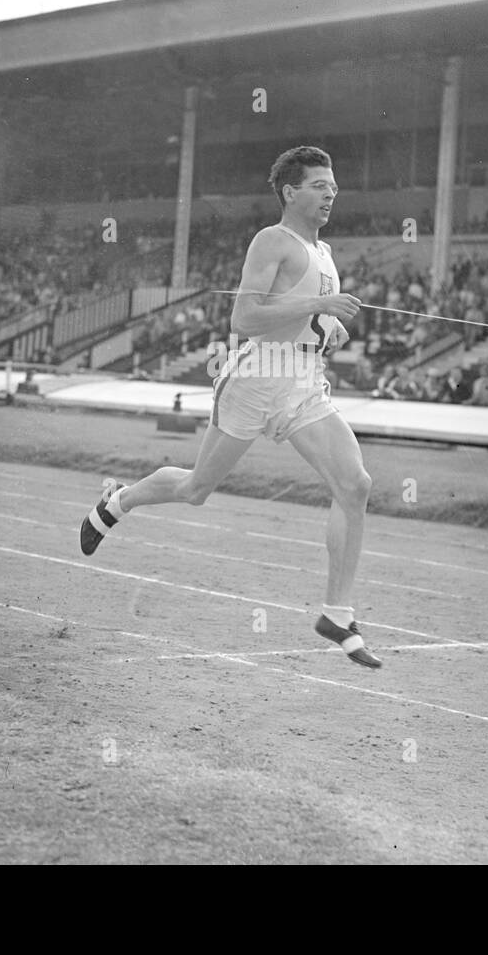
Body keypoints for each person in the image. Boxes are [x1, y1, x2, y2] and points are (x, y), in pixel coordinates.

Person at [77, 146, 381, 668]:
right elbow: (245, 317)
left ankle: (337, 612)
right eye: (319, 185)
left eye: (333, 185)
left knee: (355, 485)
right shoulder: (273, 240)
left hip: (303, 382)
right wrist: (319, 306)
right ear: (290, 192)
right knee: (197, 489)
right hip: (255, 377)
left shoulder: (325, 252)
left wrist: (329, 328)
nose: (331, 192)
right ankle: (118, 502)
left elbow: (303, 317)